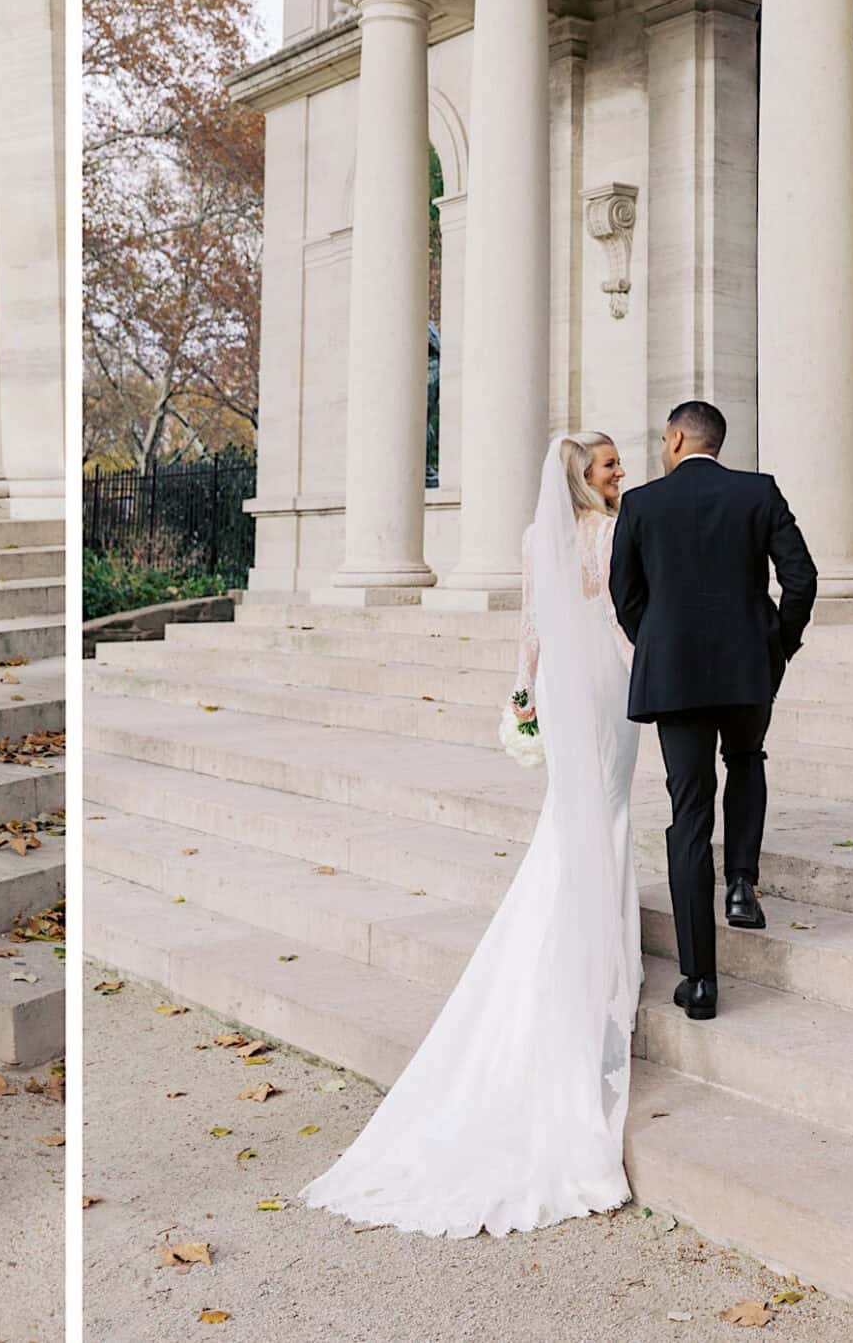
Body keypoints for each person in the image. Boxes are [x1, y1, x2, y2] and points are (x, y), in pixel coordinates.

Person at [302, 432, 641, 1237]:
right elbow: (624, 617)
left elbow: (529, 626)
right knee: (610, 807)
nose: (620, 474)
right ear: (581, 480)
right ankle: (597, 957)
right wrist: (643, 669)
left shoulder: (538, 539)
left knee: (575, 810)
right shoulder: (614, 529)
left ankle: (582, 935)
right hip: (604, 673)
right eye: (609, 466)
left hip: (560, 678)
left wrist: (523, 693)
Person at [609, 398, 818, 1022]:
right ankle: (741, 888)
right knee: (747, 760)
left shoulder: (642, 503)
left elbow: (626, 595)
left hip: (675, 675)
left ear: (675, 438)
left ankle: (700, 980)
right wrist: (775, 645)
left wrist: (661, 642)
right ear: (716, 442)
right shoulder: (759, 493)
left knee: (689, 812)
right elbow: (801, 579)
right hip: (748, 666)